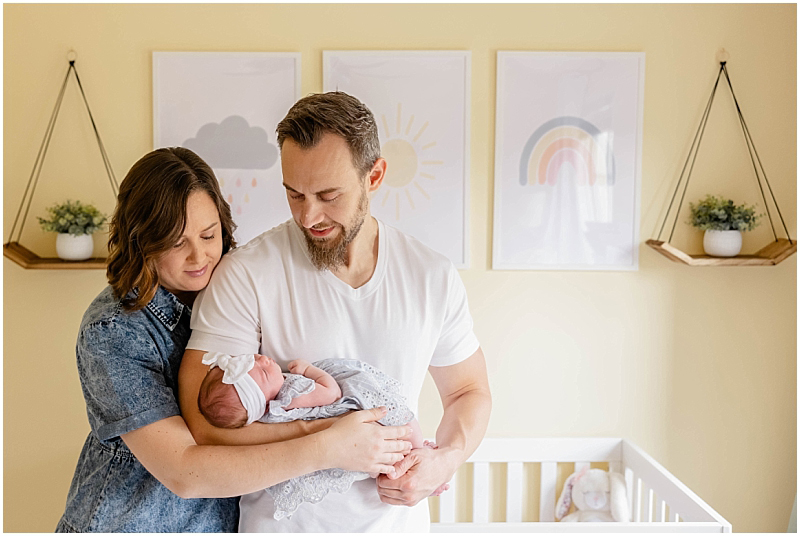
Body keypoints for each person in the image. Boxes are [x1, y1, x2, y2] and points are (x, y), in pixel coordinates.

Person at [178, 91, 492, 532]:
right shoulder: (246, 274)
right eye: (294, 194)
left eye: (328, 195)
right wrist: (327, 441)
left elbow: (468, 391)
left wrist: (447, 459)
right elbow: (206, 426)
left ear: (375, 175)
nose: (309, 216)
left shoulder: (430, 276)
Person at [56, 147, 413, 533]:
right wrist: (327, 445)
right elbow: (185, 471)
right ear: (142, 241)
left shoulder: (238, 288)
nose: (199, 256)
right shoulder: (113, 331)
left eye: (209, 235)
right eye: (177, 243)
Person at [197, 353, 446, 520]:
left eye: (254, 359)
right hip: (351, 417)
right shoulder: (291, 394)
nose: (263, 360)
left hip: (347, 446)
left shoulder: (269, 414)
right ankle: (421, 453)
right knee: (400, 419)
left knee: (386, 462)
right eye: (262, 373)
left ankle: (418, 466)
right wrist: (309, 370)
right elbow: (330, 392)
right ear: (260, 401)